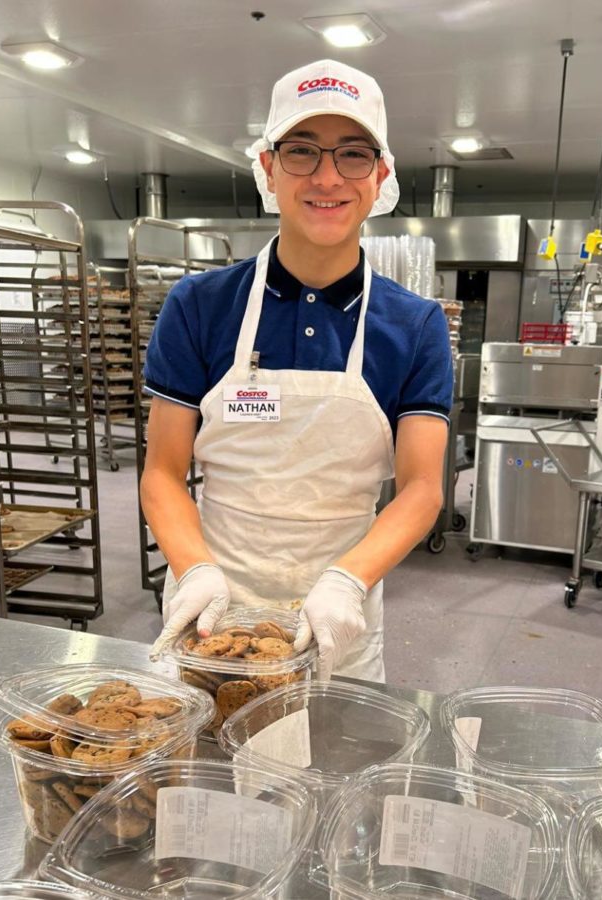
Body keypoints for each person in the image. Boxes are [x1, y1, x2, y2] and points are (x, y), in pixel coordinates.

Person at [143, 59, 453, 681]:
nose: (328, 177)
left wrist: (346, 582)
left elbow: (421, 487)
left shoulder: (414, 324)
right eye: (303, 152)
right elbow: (162, 470)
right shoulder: (200, 306)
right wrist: (195, 571)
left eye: (354, 155)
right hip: (213, 613)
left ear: (381, 174)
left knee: (337, 769)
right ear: (268, 168)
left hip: (337, 618)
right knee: (203, 775)